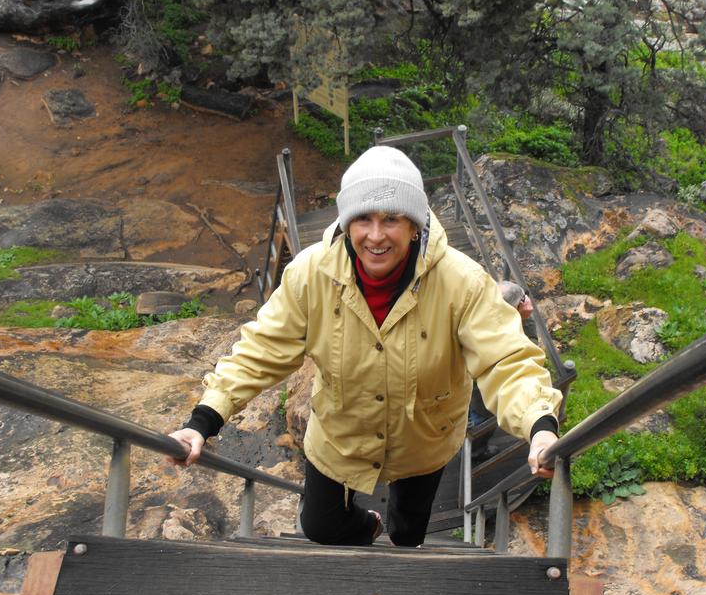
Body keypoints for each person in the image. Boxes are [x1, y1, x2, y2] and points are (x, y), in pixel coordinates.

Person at [167, 145, 561, 547]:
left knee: (409, 538)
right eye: (363, 219)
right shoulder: (311, 274)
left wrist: (540, 426)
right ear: (345, 222)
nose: (375, 235)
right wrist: (202, 422)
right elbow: (261, 349)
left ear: (415, 225)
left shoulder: (462, 282)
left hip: (423, 440)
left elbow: (505, 360)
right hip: (341, 434)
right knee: (322, 527)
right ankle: (368, 525)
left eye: (391, 218)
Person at [467, 281, 538, 462]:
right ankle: (475, 452)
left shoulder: (480, 313)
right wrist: (524, 320)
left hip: (465, 385)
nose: (528, 299)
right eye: (524, 297)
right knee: (479, 424)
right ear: (518, 306)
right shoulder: (504, 333)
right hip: (481, 396)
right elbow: (525, 354)